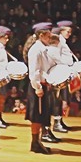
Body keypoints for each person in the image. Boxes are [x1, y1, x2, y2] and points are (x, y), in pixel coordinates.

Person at [25, 22, 56, 154]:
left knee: (41, 114)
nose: (50, 38)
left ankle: (37, 142)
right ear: (42, 35)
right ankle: (35, 143)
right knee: (36, 116)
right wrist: (37, 87)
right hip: (36, 86)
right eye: (48, 35)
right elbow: (34, 71)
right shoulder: (35, 50)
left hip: (43, 84)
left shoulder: (43, 48)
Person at [50, 20, 76, 133]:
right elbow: (55, 56)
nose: (69, 34)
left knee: (62, 99)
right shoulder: (58, 40)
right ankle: (56, 122)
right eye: (68, 31)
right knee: (58, 98)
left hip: (64, 71)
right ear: (62, 30)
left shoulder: (63, 41)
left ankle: (59, 120)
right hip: (59, 72)